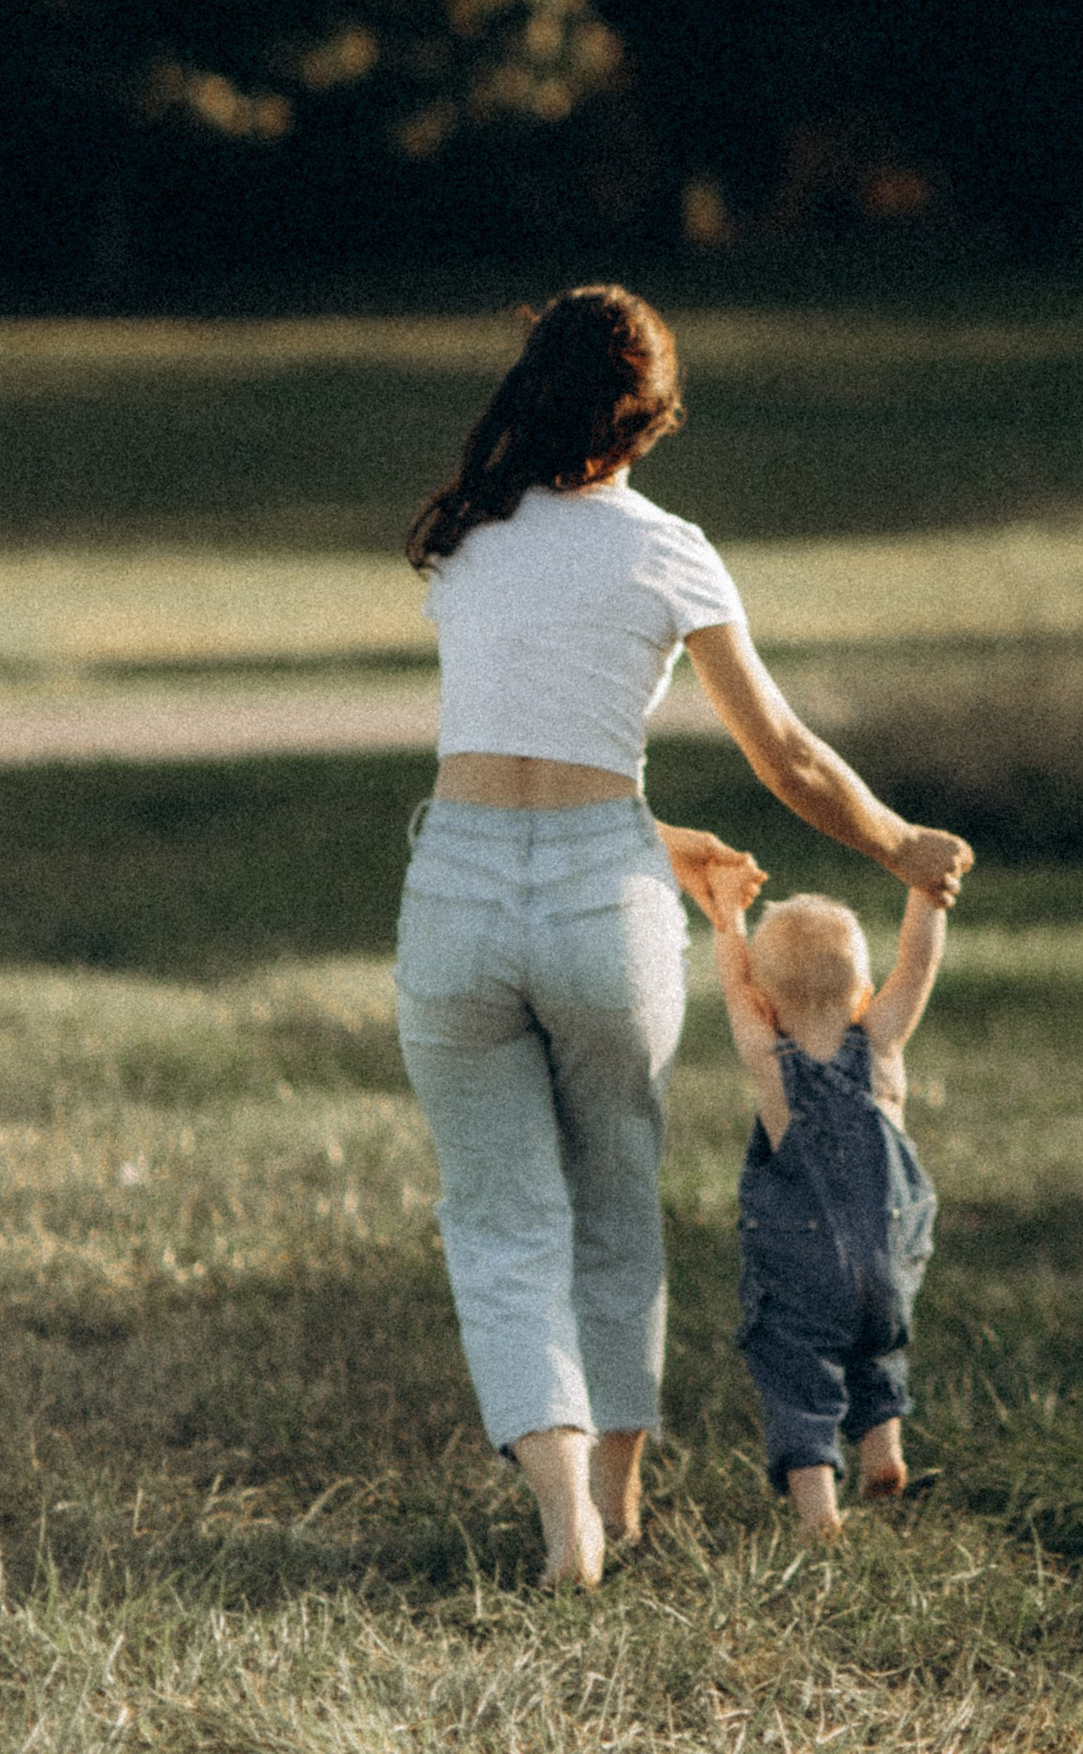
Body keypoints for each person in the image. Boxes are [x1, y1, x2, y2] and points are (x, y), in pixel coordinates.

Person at [393, 283, 970, 1591]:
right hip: (605, 899)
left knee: (499, 1219)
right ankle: (621, 1490)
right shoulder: (669, 550)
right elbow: (788, 756)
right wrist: (897, 848)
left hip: (463, 895)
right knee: (613, 1197)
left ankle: (562, 1523)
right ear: (648, 422)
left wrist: (661, 844)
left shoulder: (464, 539)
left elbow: (511, 758)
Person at [710, 881, 945, 1526]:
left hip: (804, 1265)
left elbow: (734, 991)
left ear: (767, 1005)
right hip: (889, 1253)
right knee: (878, 1343)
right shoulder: (883, 1046)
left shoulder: (770, 1061)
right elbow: (918, 965)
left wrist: (726, 916)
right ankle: (884, 1449)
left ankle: (819, 1512)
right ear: (865, 995)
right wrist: (927, 895)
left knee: (796, 1368)